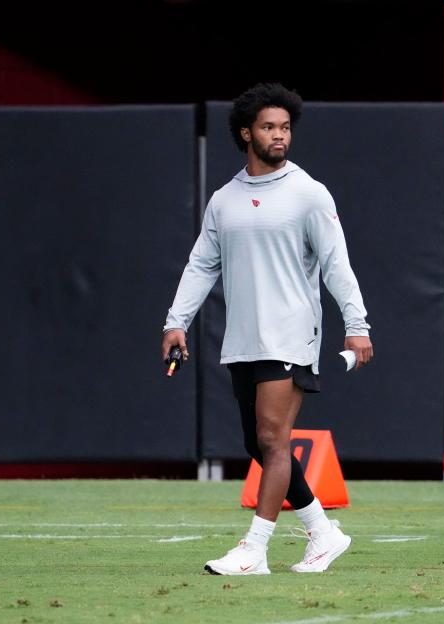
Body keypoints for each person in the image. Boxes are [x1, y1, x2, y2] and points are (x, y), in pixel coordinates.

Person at [161, 82, 372, 575]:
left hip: (291, 334)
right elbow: (200, 266)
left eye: (285, 128)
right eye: (269, 127)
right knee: (256, 444)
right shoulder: (224, 200)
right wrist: (177, 322)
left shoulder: (308, 193)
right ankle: (323, 532)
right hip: (242, 339)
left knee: (275, 440)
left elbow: (336, 264)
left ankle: (254, 550)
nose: (280, 136)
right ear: (246, 133)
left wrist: (356, 324)